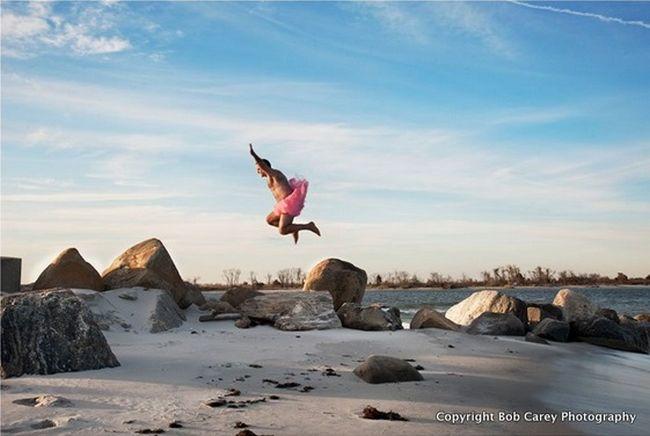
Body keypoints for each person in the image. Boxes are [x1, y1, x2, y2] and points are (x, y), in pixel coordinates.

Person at [249, 144, 321, 244]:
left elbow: (262, 165)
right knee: (270, 220)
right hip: (282, 205)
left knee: (282, 230)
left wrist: (254, 155)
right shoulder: (269, 180)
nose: (258, 172)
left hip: (290, 203)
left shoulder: (275, 174)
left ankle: (308, 226)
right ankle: (293, 229)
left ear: (264, 168)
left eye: (258, 169)